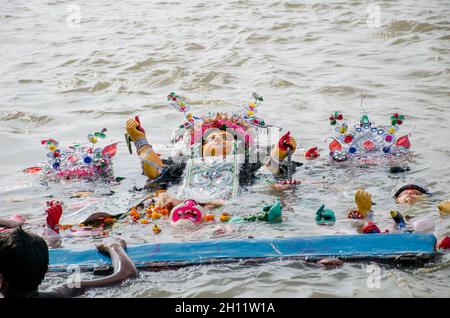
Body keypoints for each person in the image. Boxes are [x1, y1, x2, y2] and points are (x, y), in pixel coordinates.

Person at [125, 94, 301, 212]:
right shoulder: (185, 165)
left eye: (226, 137)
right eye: (211, 138)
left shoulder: (245, 165)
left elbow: (264, 177)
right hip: (184, 205)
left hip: (230, 207)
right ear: (199, 149)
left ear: (239, 147)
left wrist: (279, 153)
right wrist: (140, 141)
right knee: (162, 197)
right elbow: (155, 171)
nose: (218, 139)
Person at [0, 228, 137, 298]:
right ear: (46, 270)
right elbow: (127, 273)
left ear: (2, 281)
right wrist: (114, 247)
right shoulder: (61, 292)